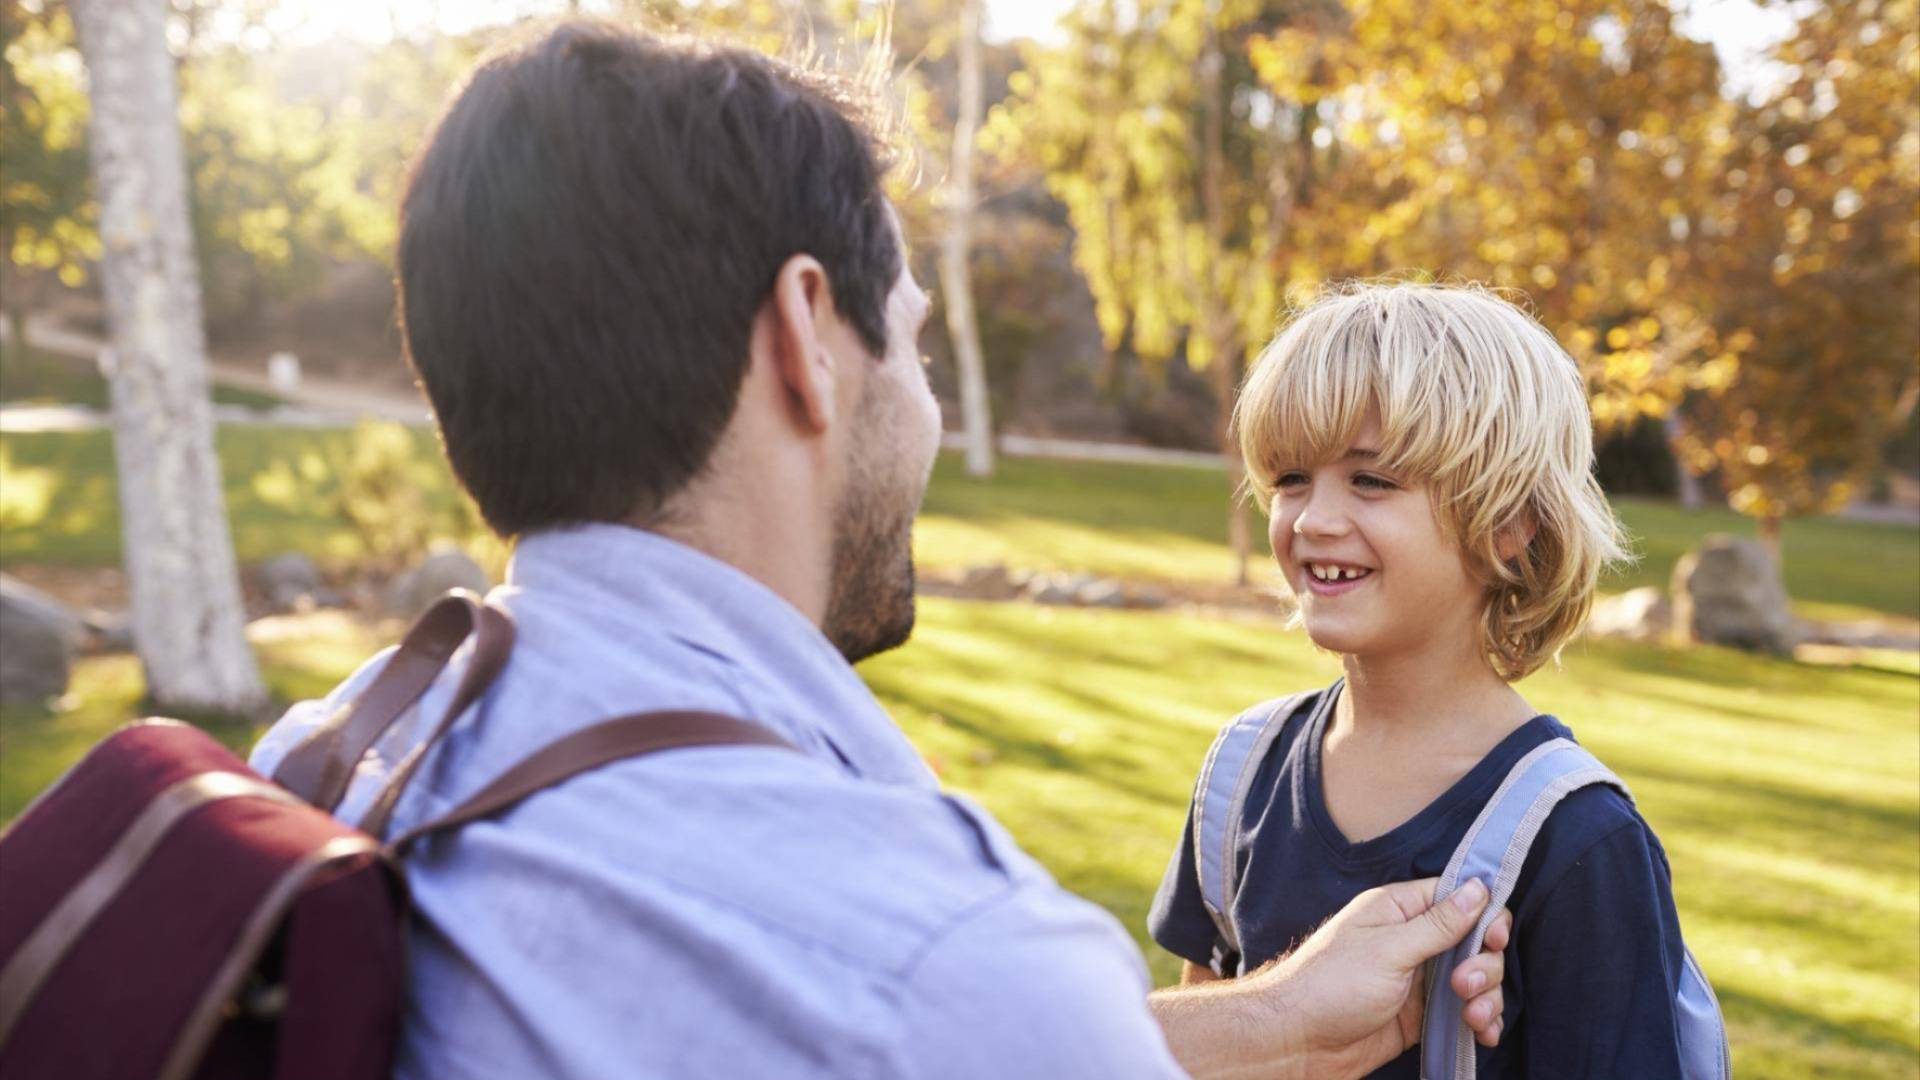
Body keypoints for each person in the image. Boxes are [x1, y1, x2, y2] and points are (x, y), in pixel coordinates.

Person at [250, 23, 1509, 1078]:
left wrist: (1273, 1019)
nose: (926, 404)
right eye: (908, 340)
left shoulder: (335, 768)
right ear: (807, 333)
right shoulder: (940, 954)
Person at [1149, 283, 1698, 1076]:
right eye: (1291, 478)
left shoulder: (1580, 843)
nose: (1312, 520)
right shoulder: (1241, 774)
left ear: (1510, 526)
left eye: (1371, 481)